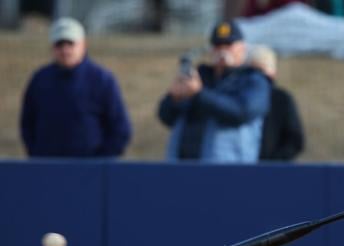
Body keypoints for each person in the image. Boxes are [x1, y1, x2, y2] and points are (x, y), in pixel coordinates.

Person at [157, 20, 270, 162]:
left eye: (229, 45)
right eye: (217, 45)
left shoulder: (253, 80)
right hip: (183, 167)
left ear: (242, 48)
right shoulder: (199, 76)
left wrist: (200, 94)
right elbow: (166, 117)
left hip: (230, 170)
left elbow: (241, 112)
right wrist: (174, 98)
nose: (222, 50)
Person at [20, 17, 131, 158]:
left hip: (90, 170)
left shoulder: (102, 80)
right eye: (59, 44)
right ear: (52, 47)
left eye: (70, 43)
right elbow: (28, 123)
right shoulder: (40, 80)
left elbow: (120, 128)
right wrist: (36, 155)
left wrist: (102, 161)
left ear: (83, 45)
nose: (65, 50)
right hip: (48, 168)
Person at [247, 45, 305, 161]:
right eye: (253, 71)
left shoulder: (282, 99)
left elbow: (295, 140)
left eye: (262, 71)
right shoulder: (239, 99)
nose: (257, 77)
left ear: (273, 71)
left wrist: (273, 163)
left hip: (275, 171)